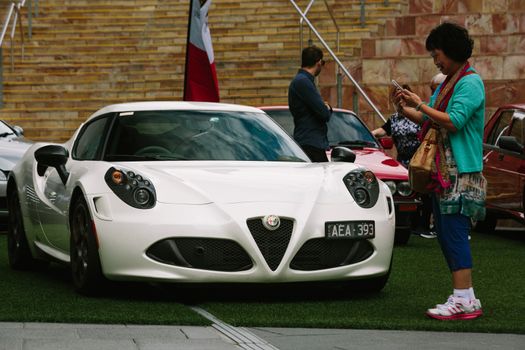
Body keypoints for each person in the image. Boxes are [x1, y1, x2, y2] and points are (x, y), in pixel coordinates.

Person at [395, 22, 486, 320]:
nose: (436, 60)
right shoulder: (451, 81)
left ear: (451, 50)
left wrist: (420, 103)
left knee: (454, 232)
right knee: (446, 233)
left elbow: (454, 120)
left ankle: (462, 298)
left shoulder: (470, 83)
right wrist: (405, 108)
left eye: (437, 54)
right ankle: (467, 297)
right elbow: (427, 118)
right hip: (444, 170)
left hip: (459, 170)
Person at [288, 45, 332, 162]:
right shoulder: (303, 81)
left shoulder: (302, 81)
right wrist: (327, 107)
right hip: (311, 143)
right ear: (318, 62)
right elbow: (324, 113)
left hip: (309, 141)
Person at [372, 84, 421, 168]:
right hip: (402, 163)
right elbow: (382, 130)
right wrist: (367, 134)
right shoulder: (394, 118)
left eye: (403, 97)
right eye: (397, 98)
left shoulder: (419, 114)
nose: (400, 100)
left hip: (420, 162)